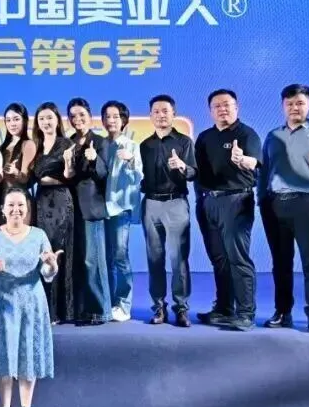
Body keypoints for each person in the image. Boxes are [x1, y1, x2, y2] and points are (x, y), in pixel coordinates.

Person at [0, 187, 59, 407]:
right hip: (1, 301)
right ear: (3, 209)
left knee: (27, 353)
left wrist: (52, 265)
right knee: (3, 354)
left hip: (31, 301)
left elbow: (47, 273)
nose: (16, 210)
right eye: (11, 205)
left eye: (20, 205)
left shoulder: (39, 235)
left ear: (27, 209)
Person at [258, 84, 309, 333]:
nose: (294, 108)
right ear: (283, 106)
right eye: (289, 104)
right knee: (280, 262)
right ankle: (283, 312)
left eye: (300, 103)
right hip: (274, 204)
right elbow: (264, 171)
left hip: (306, 203)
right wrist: (262, 200)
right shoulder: (273, 136)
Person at [193, 90, 262, 331]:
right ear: (210, 111)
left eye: (227, 105)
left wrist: (243, 160)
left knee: (237, 258)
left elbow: (254, 163)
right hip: (208, 203)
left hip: (236, 201)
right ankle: (224, 308)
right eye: (217, 106)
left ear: (236, 107)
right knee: (219, 259)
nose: (222, 109)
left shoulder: (246, 134)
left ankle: (246, 314)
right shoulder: (205, 137)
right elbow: (197, 172)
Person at [138, 94, 196, 328]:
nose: (161, 115)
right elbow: (140, 176)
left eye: (165, 111)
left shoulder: (184, 142)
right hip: (151, 204)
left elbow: (194, 172)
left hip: (176, 203)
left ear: (174, 114)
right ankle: (158, 307)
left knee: (178, 259)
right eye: (156, 111)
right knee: (154, 259)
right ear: (151, 115)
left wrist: (182, 166)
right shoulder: (144, 146)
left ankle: (181, 308)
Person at [66, 98, 110, 326]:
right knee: (78, 261)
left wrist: (95, 160)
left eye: (81, 114)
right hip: (71, 207)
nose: (77, 119)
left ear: (90, 116)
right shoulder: (69, 142)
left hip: (91, 207)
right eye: (73, 116)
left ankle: (100, 310)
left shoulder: (100, 142)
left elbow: (104, 174)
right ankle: (82, 309)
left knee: (93, 261)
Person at [31, 102, 74, 324]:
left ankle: (60, 311)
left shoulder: (66, 144)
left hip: (60, 201)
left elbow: (70, 175)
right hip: (40, 202)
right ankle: (44, 308)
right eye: (41, 119)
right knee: (43, 252)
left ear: (57, 120)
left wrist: (67, 165)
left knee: (59, 250)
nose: (46, 122)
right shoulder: (36, 146)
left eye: (49, 117)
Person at [100, 100, 143, 322]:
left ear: (124, 120)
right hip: (100, 209)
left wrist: (131, 160)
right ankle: (107, 302)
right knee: (104, 258)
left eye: (115, 116)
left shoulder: (131, 146)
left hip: (120, 209)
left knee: (120, 256)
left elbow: (139, 177)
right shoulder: (99, 144)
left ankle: (123, 304)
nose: (111, 121)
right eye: (107, 116)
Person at [0, 103, 36, 196]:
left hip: (19, 198)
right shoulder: (3, 147)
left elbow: (25, 178)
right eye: (8, 120)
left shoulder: (28, 144)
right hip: (2, 197)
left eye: (16, 119)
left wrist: (15, 171)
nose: (12, 124)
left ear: (24, 120)